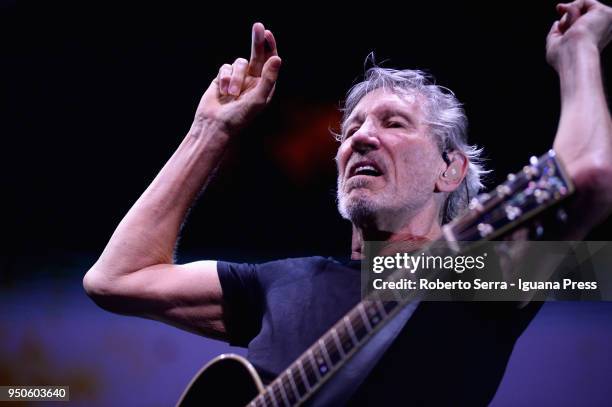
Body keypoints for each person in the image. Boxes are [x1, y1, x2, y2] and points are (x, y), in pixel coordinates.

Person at [83, 1, 612, 405]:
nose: (358, 138)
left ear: (451, 169)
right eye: (352, 128)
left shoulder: (484, 275)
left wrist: (578, 53)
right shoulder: (279, 282)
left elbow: (586, 176)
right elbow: (116, 279)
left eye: (394, 124)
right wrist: (210, 131)